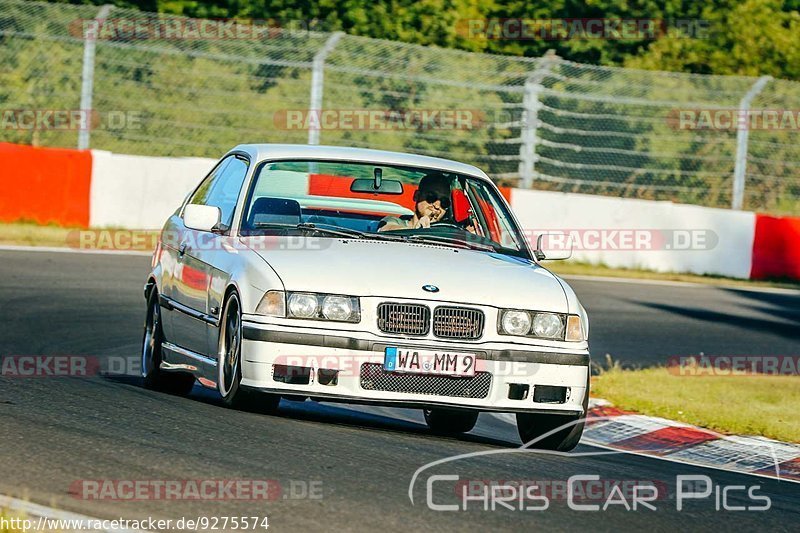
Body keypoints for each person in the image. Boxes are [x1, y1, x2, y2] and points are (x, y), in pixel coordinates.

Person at [378, 174, 452, 231]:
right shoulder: (394, 220)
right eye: (431, 197)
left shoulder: (448, 232)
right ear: (417, 196)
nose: (437, 206)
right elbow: (387, 229)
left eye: (444, 202)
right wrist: (417, 231)